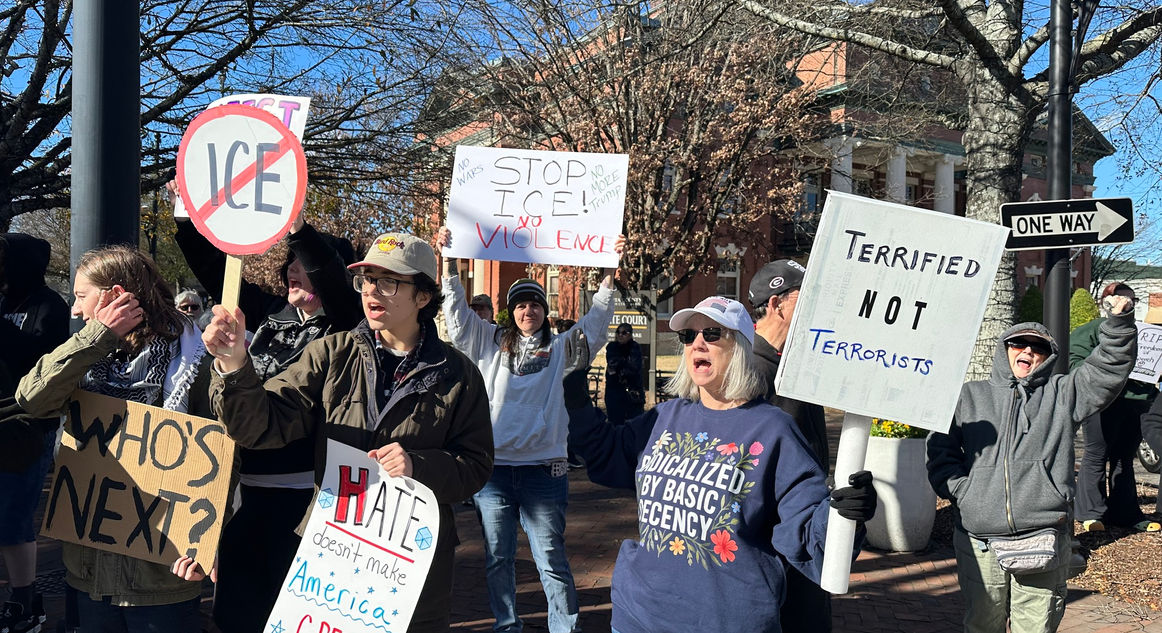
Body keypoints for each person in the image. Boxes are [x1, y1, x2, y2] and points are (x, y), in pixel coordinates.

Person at [199, 232, 494, 633]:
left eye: (389, 282)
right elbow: (260, 427)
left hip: (410, 563)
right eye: (367, 279)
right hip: (333, 554)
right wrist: (234, 366)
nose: (372, 290)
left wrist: (418, 466)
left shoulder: (458, 374)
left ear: (423, 296)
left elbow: (476, 464)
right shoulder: (331, 353)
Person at [563, 295, 876, 633]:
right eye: (689, 336)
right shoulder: (664, 418)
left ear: (740, 347)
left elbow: (807, 537)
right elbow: (604, 452)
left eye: (712, 333)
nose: (698, 343)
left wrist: (842, 514)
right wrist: (574, 395)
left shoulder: (773, 430)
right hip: (639, 616)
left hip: (725, 621)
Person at [173, 208, 362, 633]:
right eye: (289, 263)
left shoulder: (347, 326)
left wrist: (298, 230)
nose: (293, 269)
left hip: (307, 503)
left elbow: (334, 279)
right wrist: (185, 220)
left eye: (303, 263)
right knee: (237, 614)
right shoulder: (270, 315)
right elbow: (219, 273)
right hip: (247, 494)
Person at [14, 245, 213, 632]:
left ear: (115, 295)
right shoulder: (85, 356)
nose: (75, 310)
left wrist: (208, 538)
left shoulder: (193, 361)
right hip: (90, 571)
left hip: (161, 573)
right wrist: (96, 338)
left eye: (81, 296)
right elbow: (32, 399)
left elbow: (220, 454)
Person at [436, 226, 618, 633]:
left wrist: (609, 271)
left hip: (544, 473)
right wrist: (448, 262)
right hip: (494, 474)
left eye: (534, 304)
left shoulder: (562, 347)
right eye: (520, 305)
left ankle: (564, 627)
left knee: (550, 559)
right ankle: (507, 626)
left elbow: (596, 322)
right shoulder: (487, 341)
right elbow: (458, 316)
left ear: (544, 310)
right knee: (498, 559)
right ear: (510, 311)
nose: (527, 311)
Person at [926, 301, 1136, 633]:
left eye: (1039, 347)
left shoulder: (1063, 394)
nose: (1028, 350)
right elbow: (940, 449)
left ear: (1048, 357)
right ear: (1005, 349)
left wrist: (1119, 322)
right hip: (979, 539)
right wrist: (963, 492)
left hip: (1043, 536)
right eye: (1019, 343)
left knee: (1035, 628)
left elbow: (1107, 370)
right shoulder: (970, 396)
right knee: (981, 625)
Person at [748, 260, 833, 629]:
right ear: (775, 304)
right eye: (805, 296)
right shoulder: (749, 369)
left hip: (805, 519)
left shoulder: (796, 361)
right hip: (776, 533)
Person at [0, 234, 69, 633]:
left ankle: (23, 601)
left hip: (28, 428)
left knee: (14, 514)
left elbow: (41, 360)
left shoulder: (49, 306)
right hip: (2, 422)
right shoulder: (5, 302)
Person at [1071, 283, 1160, 533]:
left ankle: (1126, 514)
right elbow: (1074, 359)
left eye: (1132, 300)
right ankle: (1090, 513)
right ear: (1106, 302)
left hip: (1138, 402)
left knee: (1124, 458)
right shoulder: (1093, 329)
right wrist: (1100, 377)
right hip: (1103, 401)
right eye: (1120, 298)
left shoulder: (1145, 333)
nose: (1126, 303)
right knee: (1096, 454)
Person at [603, 323, 644, 424]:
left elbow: (634, 368)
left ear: (630, 335)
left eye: (624, 333)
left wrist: (621, 366)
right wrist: (625, 364)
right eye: (618, 332)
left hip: (633, 392)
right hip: (614, 393)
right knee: (615, 424)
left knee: (634, 424)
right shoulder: (611, 347)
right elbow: (612, 363)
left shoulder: (635, 347)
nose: (620, 335)